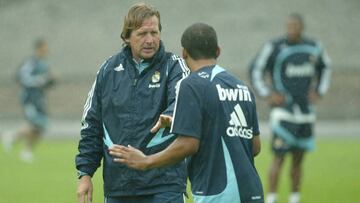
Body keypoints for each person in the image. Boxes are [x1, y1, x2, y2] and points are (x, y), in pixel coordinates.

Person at [109, 23, 264, 203]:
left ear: (184, 53)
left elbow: (189, 144)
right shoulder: (242, 88)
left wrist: (146, 161)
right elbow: (255, 146)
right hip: (252, 191)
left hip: (218, 192)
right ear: (218, 51)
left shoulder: (191, 84)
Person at [75, 3, 190, 203]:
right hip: (119, 186)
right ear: (127, 37)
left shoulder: (174, 67)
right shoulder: (108, 70)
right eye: (142, 33)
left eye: (154, 32)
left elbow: (182, 100)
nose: (150, 40)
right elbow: (92, 124)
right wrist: (85, 174)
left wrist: (171, 115)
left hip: (164, 184)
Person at [249, 13, 331, 203]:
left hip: (305, 114)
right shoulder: (275, 47)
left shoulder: (314, 47)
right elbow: (255, 68)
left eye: (295, 25)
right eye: (289, 25)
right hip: (283, 113)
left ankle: (295, 198)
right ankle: (271, 198)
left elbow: (326, 67)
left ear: (302, 27)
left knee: (298, 160)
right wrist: (268, 94)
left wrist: (319, 91)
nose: (291, 29)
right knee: (278, 158)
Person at [1, 38, 55, 163]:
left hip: (39, 99)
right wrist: (41, 80)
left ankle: (22, 147)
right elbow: (21, 76)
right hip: (29, 99)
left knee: (41, 126)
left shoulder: (44, 64)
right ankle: (15, 139)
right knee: (34, 124)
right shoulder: (31, 62)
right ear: (39, 48)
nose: (47, 50)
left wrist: (50, 80)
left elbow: (45, 82)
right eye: (45, 47)